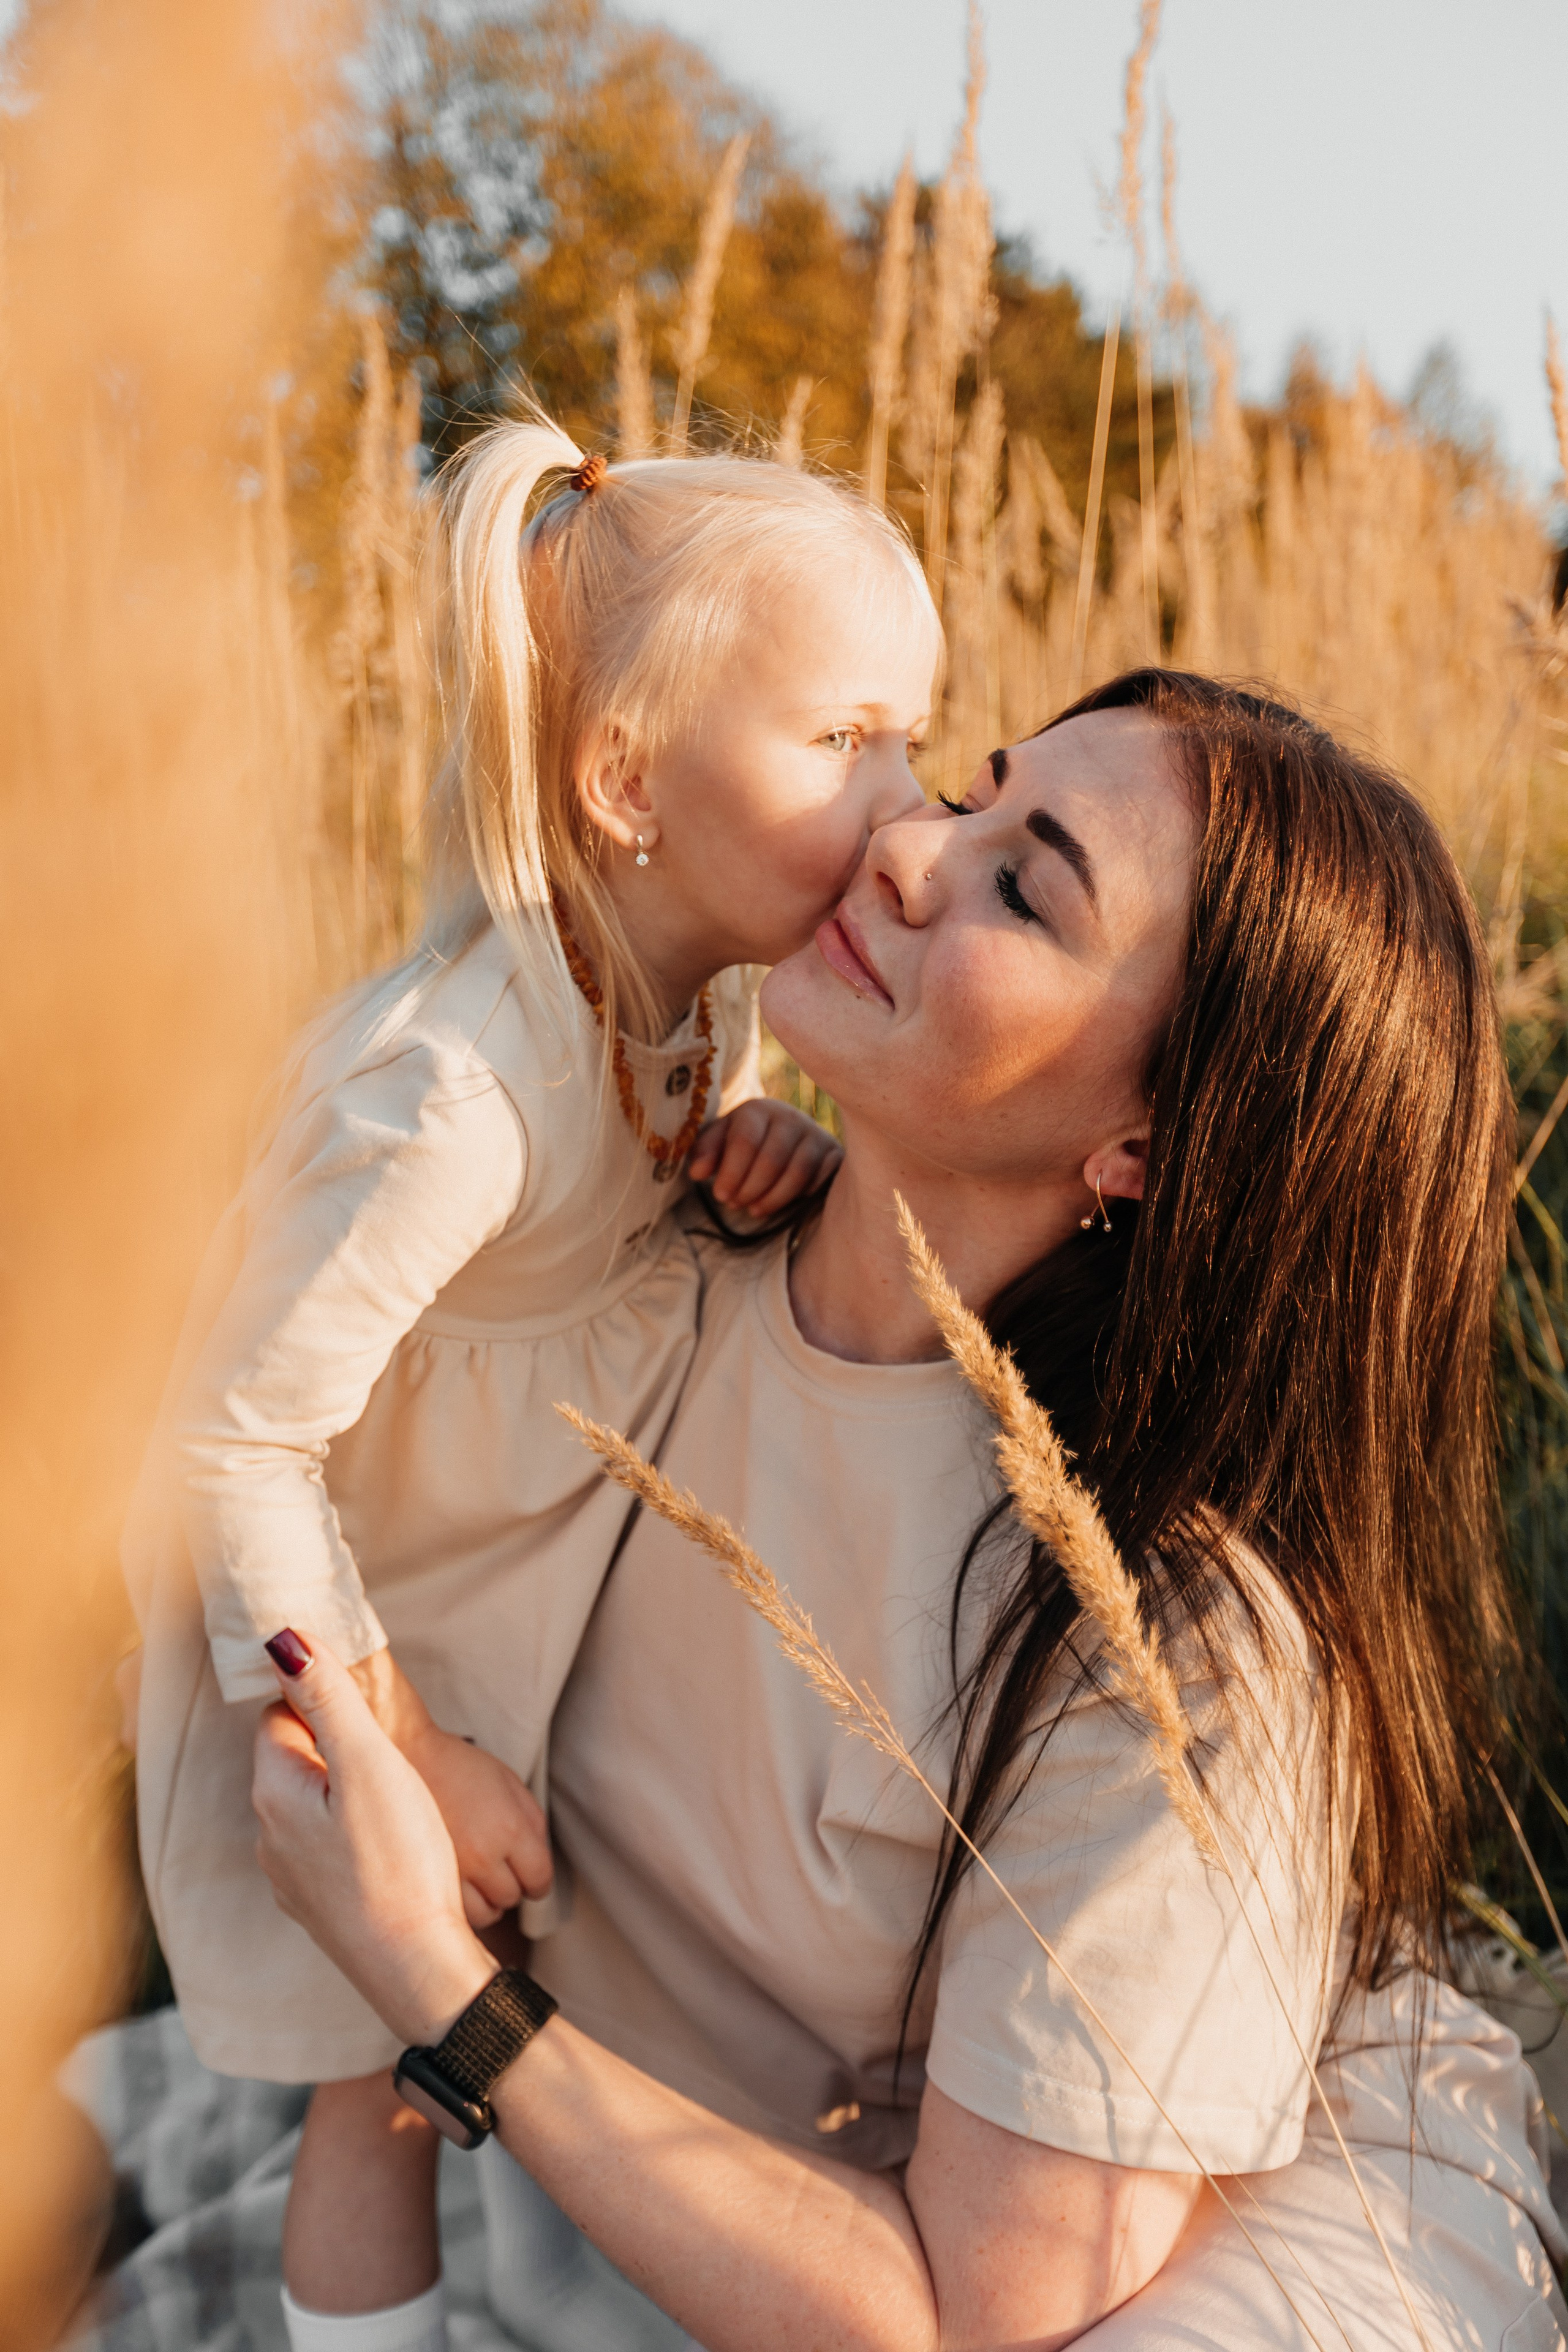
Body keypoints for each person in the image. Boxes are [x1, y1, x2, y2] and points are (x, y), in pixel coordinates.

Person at [251, 673, 1567, 2349]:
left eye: (1026, 885)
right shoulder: (619, 1253)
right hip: (463, 2197)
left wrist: (440, 1988)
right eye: (972, 792)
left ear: (1148, 1150)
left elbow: (972, 2316)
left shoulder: (1170, 1652)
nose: (905, 853)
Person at [120, 417, 940, 2352]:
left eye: (916, 738)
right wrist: (396, 1745)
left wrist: (767, 1153)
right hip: (353, 1623)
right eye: (845, 745)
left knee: (445, 2062)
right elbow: (232, 1438)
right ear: (629, 780)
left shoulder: (694, 988)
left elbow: (644, 1219)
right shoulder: (453, 1098)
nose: (909, 812)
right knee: (385, 2088)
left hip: (508, 1581)